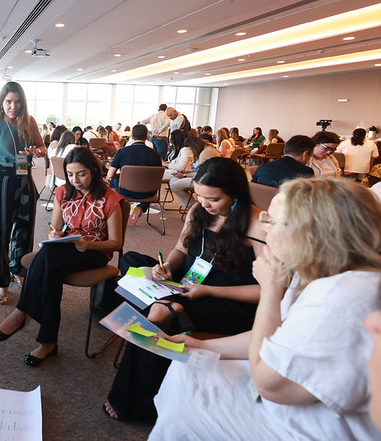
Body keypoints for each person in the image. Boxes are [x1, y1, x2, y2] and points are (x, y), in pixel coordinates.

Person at [151, 178, 381, 439]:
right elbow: (280, 337)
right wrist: (204, 346)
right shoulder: (314, 274)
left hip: (318, 425)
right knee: (188, 366)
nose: (263, 230)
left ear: (313, 234)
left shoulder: (338, 298)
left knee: (188, 408)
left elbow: (269, 384)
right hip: (286, 386)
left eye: (271, 222)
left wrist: (271, 289)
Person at [104, 157, 265, 422]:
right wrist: (166, 266)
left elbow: (268, 292)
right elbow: (181, 249)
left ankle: (132, 400)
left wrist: (210, 292)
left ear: (235, 193)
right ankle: (160, 321)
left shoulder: (257, 225)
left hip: (227, 300)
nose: (204, 204)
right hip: (189, 284)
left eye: (213, 199)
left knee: (159, 314)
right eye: (199, 196)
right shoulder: (198, 211)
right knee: (134, 262)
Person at [0, 148, 124, 366]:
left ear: (93, 171)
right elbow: (55, 227)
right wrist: (54, 234)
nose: (75, 180)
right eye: (70, 175)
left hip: (94, 253)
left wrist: (89, 244)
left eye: (80, 174)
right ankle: (47, 342)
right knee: (51, 267)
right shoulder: (64, 192)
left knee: (46, 258)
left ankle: (21, 312)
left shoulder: (110, 199)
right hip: (63, 249)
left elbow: (116, 244)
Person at [0, 82, 46, 305]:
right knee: (3, 234)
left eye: (17, 101)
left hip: (25, 179)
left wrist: (37, 150)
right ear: (1, 102)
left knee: (25, 232)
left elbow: (43, 147)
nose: (13, 106)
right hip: (3, 180)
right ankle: (2, 282)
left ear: (22, 102)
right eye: (9, 101)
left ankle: (19, 269)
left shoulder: (30, 122)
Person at [105, 124, 162, 226]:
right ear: (147, 137)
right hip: (149, 193)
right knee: (148, 185)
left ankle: (118, 207)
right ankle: (141, 207)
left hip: (126, 192)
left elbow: (109, 175)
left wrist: (116, 177)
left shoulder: (122, 152)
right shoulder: (156, 154)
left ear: (132, 136)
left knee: (113, 180)